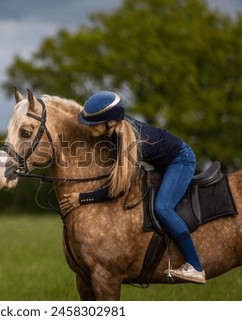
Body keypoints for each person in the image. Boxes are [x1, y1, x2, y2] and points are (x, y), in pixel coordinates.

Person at [59, 91, 206, 284]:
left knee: (163, 207)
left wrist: (82, 197)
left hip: (180, 161)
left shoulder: (129, 142)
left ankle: (195, 266)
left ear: (109, 123)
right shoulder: (114, 130)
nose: (89, 127)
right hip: (162, 162)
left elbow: (117, 189)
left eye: (93, 123)